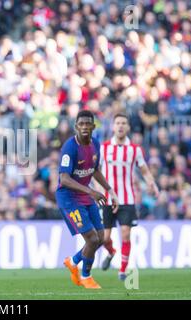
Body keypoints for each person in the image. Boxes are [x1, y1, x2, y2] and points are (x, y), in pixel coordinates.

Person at [57, 110, 119, 289]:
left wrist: (109, 189)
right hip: (69, 198)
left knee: (101, 238)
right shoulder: (70, 147)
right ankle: (86, 276)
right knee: (92, 239)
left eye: (87, 124)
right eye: (81, 124)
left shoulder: (96, 145)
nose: (84, 127)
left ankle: (74, 261)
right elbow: (64, 179)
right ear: (76, 126)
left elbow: (95, 170)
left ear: (93, 126)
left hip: (85, 195)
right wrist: (91, 192)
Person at [100, 114, 159, 280]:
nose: (120, 126)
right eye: (117, 123)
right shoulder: (103, 148)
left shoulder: (135, 149)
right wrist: (98, 191)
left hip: (127, 198)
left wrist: (152, 183)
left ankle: (123, 269)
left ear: (128, 127)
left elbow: (145, 170)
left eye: (123, 123)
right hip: (107, 199)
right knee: (104, 238)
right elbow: (95, 172)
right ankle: (111, 252)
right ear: (113, 126)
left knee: (125, 234)